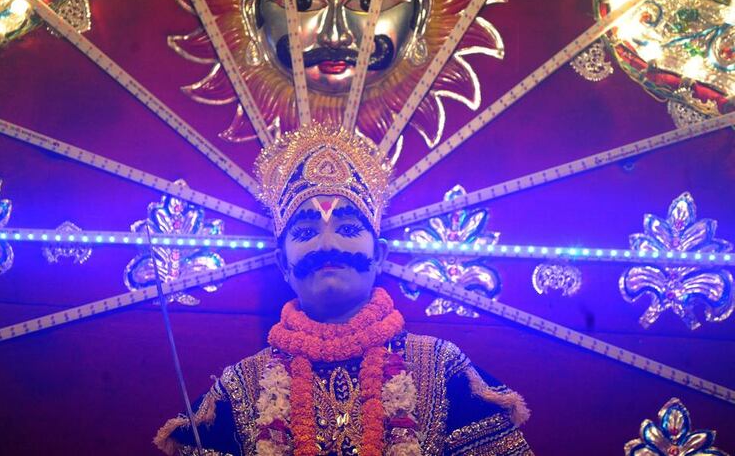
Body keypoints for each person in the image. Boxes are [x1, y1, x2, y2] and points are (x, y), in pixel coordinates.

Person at [155, 126, 532, 455]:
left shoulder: (440, 367)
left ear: (379, 255)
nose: (326, 244)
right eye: (305, 233)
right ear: (283, 264)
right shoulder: (241, 387)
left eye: (349, 229)